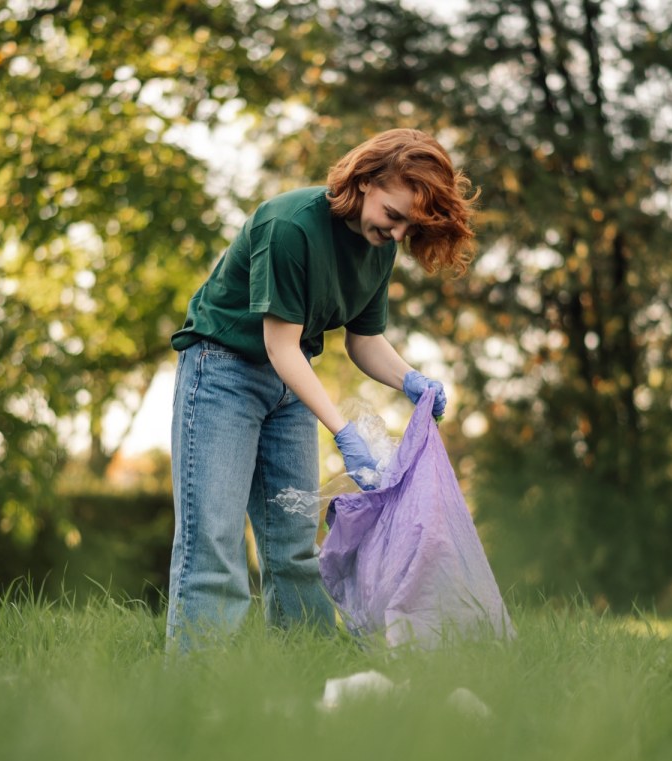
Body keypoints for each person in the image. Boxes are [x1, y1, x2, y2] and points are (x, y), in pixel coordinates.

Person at [165, 128, 478, 651]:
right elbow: (280, 345)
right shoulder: (290, 226)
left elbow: (364, 339)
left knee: (293, 546)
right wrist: (344, 431)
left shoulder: (378, 247)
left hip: (289, 386)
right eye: (394, 215)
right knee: (212, 541)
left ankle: (304, 684)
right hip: (222, 373)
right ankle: (197, 690)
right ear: (365, 180)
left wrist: (410, 380)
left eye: (409, 226)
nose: (399, 234)